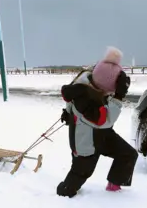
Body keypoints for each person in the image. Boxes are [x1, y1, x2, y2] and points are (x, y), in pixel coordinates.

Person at [56, 46, 138, 198]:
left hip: (103, 135)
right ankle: (63, 195)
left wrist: (67, 112)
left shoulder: (91, 80)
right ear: (102, 86)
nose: (111, 94)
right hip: (85, 144)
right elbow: (104, 120)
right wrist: (118, 97)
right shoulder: (84, 100)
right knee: (80, 174)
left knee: (128, 154)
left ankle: (114, 186)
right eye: (110, 91)